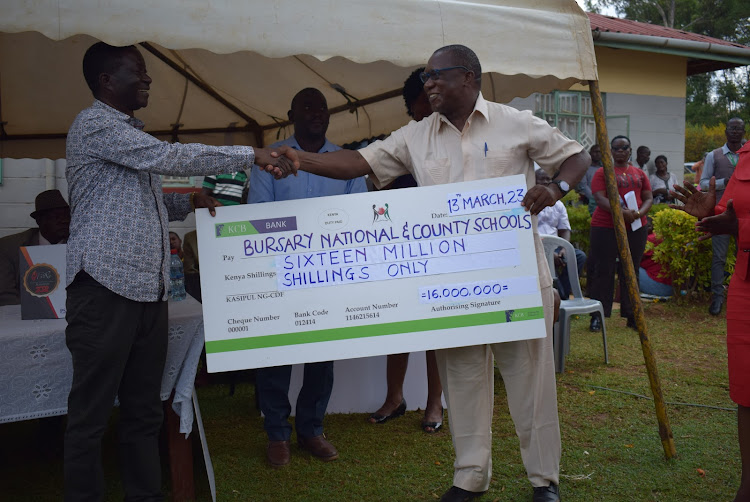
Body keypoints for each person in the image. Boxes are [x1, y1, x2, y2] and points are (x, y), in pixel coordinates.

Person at [273, 44, 590, 502]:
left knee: (530, 381)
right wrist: (303, 159)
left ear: (470, 77)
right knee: (461, 380)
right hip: (451, 286)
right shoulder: (415, 136)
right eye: (426, 76)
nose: (430, 83)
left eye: (438, 75)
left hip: (517, 280)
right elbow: (360, 163)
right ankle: (470, 477)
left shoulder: (515, 121)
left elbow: (576, 155)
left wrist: (555, 187)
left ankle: (544, 482)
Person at [63, 42, 295, 502]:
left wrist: (188, 200)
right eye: (138, 71)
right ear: (107, 81)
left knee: (144, 412)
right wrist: (251, 155)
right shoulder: (94, 125)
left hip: (148, 292)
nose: (148, 79)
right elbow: (170, 159)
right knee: (90, 417)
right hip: (105, 286)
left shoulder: (131, 137)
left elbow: (146, 199)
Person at [249, 87, 367, 468]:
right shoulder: (270, 157)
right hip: (280, 271)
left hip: (329, 274)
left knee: (322, 353)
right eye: (307, 107)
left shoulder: (347, 162)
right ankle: (277, 434)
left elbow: (358, 214)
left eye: (322, 107)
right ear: (291, 113)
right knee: (276, 354)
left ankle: (311, 429)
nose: (316, 113)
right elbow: (259, 214)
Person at [671, 140, 750, 501]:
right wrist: (711, 213)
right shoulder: (746, 155)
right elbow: (732, 210)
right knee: (746, 390)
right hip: (746, 287)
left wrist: (742, 228)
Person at [367, 67, 444, 434]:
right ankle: (394, 398)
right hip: (400, 248)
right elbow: (375, 190)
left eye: (431, 106)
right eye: (418, 108)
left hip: (441, 249)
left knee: (436, 330)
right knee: (399, 325)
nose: (425, 114)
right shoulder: (400, 143)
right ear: (410, 108)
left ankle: (434, 403)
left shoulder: (452, 142)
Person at [587, 135, 653, 332]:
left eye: (625, 147)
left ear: (630, 150)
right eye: (616, 148)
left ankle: (632, 315)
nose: (621, 151)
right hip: (606, 227)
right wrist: (620, 213)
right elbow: (599, 198)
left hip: (635, 226)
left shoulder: (639, 173)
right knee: (603, 271)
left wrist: (639, 213)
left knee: (630, 270)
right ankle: (598, 315)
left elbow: (648, 196)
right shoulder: (603, 172)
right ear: (611, 151)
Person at [700, 117, 745, 316]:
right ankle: (717, 298)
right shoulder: (714, 155)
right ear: (725, 131)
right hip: (721, 214)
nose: (735, 132)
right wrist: (723, 182)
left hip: (745, 216)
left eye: (739, 129)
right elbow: (702, 183)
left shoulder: (749, 155)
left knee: (744, 255)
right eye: (732, 128)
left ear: (744, 132)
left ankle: (742, 297)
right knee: (719, 257)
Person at [0, 189, 70, 306]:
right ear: (39, 221)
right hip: (24, 318)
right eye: (56, 217)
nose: (64, 221)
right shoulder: (9, 247)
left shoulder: (79, 246)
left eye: (67, 216)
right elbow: (6, 296)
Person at [535, 169, 587, 300]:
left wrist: (564, 248)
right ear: (534, 181)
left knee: (579, 256)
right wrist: (547, 252)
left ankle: (561, 295)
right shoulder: (528, 204)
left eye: (548, 179)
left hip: (556, 246)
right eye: (542, 179)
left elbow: (564, 230)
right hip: (536, 248)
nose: (546, 182)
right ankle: (557, 297)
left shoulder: (558, 205)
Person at [638, 218, 673, 298]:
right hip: (672, 287)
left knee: (627, 267)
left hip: (659, 287)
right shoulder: (658, 236)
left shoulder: (649, 240)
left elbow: (633, 259)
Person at [576, 144, 602, 213]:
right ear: (590, 153)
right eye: (595, 152)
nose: (598, 154)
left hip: (602, 202)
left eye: (600, 152)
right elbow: (583, 186)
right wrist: (594, 198)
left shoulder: (604, 168)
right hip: (587, 200)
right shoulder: (584, 167)